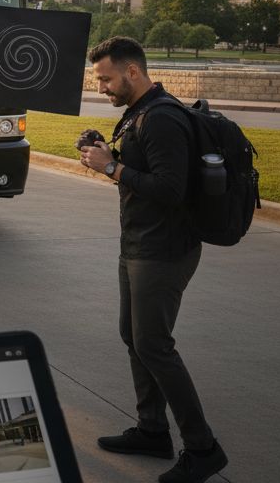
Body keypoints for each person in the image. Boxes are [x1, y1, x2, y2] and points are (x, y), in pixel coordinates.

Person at [80, 37, 228, 483]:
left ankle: (203, 449)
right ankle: (152, 430)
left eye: (106, 79)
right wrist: (106, 154)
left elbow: (170, 189)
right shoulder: (140, 113)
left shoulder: (161, 118)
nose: (102, 87)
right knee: (135, 337)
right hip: (139, 244)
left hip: (163, 250)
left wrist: (112, 168)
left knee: (155, 346)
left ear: (132, 72)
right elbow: (144, 174)